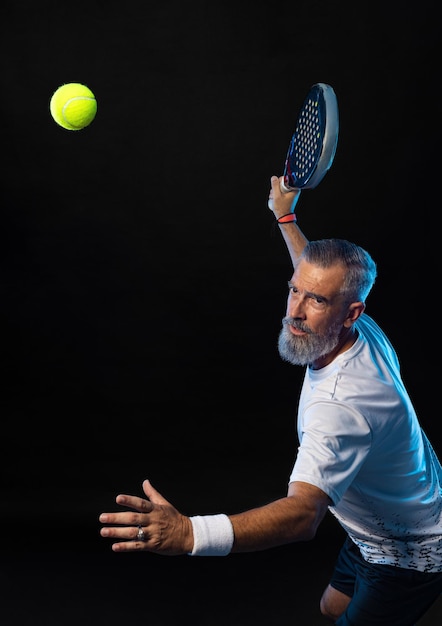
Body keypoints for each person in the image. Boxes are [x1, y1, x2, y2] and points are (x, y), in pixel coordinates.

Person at [99, 175, 442, 625]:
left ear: (349, 312)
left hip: (407, 551)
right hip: (376, 525)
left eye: (314, 301)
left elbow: (302, 515)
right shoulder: (358, 329)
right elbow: (314, 270)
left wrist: (189, 534)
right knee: (330, 606)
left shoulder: (339, 408)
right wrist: (286, 216)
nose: (294, 312)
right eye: (294, 289)